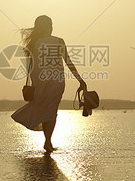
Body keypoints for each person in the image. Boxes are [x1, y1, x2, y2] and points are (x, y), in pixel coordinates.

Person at [11, 15, 87, 152]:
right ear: (48, 26)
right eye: (51, 25)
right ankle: (48, 142)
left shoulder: (34, 43)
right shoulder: (58, 41)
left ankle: (48, 142)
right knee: (51, 110)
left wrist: (34, 83)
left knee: (44, 109)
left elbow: (31, 65)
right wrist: (80, 80)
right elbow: (68, 61)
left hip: (39, 80)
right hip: (56, 81)